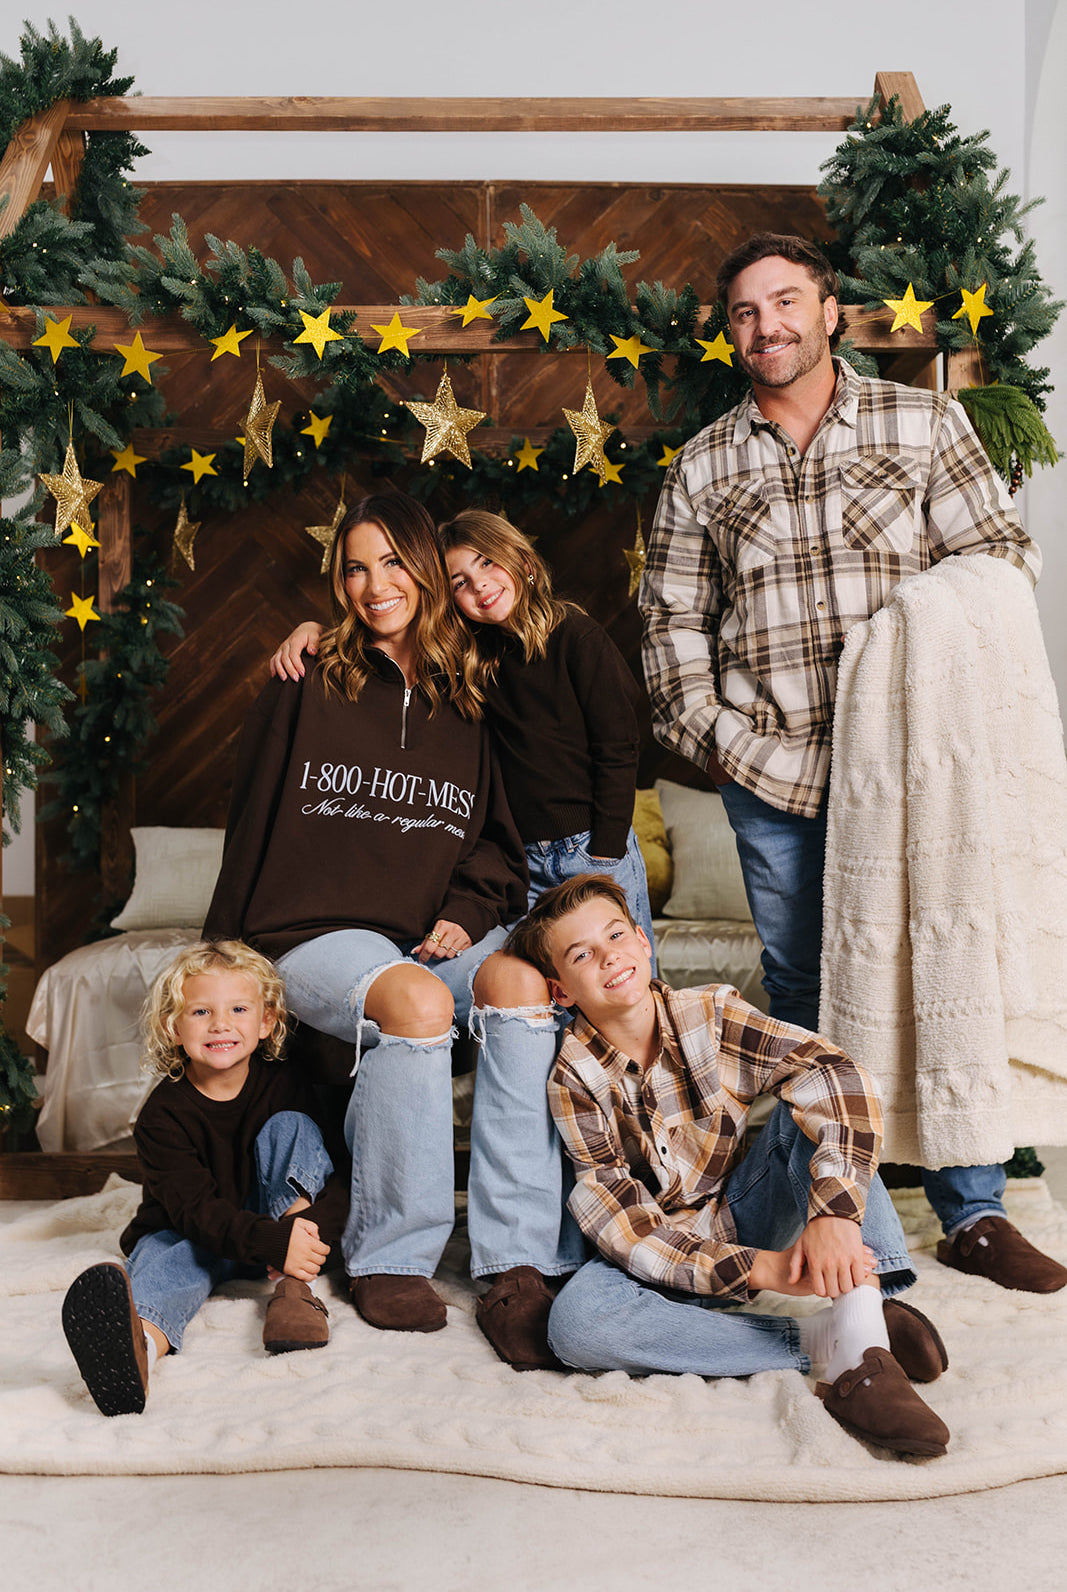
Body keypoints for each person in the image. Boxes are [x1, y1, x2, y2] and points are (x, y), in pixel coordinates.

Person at [640, 230, 1067, 1295]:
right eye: (743, 312)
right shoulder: (703, 465)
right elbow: (669, 632)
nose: (765, 326)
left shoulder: (922, 421)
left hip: (918, 779)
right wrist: (730, 749)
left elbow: (998, 563)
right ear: (728, 333)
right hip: (774, 781)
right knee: (806, 1003)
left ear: (830, 312)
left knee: (941, 972)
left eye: (785, 302)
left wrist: (916, 634)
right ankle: (865, 1230)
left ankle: (971, 1210)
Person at [205, 492, 583, 1368]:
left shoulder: (473, 694)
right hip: (309, 937)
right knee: (412, 1002)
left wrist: (465, 914)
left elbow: (496, 842)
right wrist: (221, 959)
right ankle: (393, 1257)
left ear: (423, 569)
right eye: (353, 567)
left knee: (522, 985)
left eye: (391, 564)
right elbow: (248, 820)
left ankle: (515, 1260)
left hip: (423, 938)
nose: (373, 586)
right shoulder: (306, 680)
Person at [507, 874, 952, 1458]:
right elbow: (620, 1221)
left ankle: (866, 1324)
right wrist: (757, 1271)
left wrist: (835, 1218)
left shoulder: (709, 1013)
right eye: (581, 954)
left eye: (616, 935)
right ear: (562, 991)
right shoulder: (573, 1076)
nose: (609, 955)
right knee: (577, 1325)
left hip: (746, 1206)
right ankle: (827, 1342)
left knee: (809, 1115)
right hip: (662, 1253)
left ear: (644, 942)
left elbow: (833, 1073)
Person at [270, 507, 656, 959]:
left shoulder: (575, 636)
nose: (480, 586)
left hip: (590, 846)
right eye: (459, 582)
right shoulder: (471, 657)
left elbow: (618, 746)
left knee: (624, 981)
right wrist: (313, 630)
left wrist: (606, 851)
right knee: (555, 990)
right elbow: (383, 639)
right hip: (525, 862)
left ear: (523, 563)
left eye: (487, 563)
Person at [62, 940, 345, 1417]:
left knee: (293, 1128)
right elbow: (195, 1211)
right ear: (174, 1027)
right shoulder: (162, 1116)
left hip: (277, 1229)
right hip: (195, 1229)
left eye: (238, 1008)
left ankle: (297, 1291)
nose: (220, 1024)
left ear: (266, 1022)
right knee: (169, 1259)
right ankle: (140, 1351)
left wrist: (294, 1237)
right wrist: (269, 1242)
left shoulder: (285, 1082)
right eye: (200, 1012)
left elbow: (325, 1169)